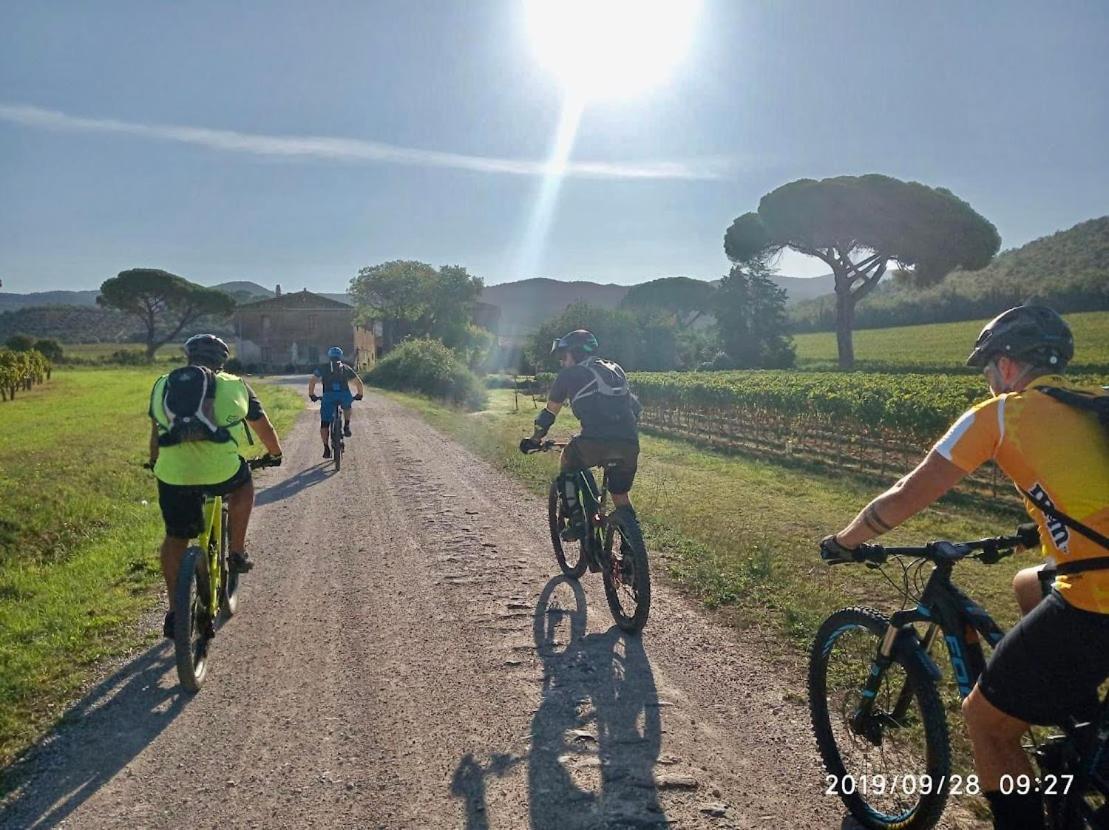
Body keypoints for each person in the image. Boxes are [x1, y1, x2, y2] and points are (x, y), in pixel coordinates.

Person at [820, 305, 1109, 830]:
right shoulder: (1093, 404)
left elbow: (909, 494)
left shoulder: (1001, 414)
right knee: (1027, 583)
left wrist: (846, 541)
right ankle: (1081, 721)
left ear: (1004, 365)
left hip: (1099, 600)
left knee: (985, 722)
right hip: (1094, 572)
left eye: (987, 370)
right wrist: (1037, 532)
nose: (988, 381)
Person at [148, 334, 283, 638]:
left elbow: (156, 432)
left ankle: (174, 612)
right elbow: (263, 427)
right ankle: (236, 552)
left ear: (188, 358)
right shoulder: (235, 384)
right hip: (221, 470)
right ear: (221, 361)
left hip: (173, 474)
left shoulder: (162, 384)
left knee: (175, 538)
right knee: (244, 484)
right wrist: (275, 454)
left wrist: (154, 461)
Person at [519, 330, 642, 543]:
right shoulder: (613, 370)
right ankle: (632, 549)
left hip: (594, 441)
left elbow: (547, 415)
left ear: (573, 353)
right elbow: (635, 408)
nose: (562, 362)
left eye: (563, 356)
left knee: (567, 458)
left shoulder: (570, 374)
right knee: (620, 496)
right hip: (629, 442)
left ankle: (576, 522)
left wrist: (535, 439)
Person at [308, 346, 364, 458]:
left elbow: (312, 381)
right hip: (344, 394)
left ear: (329, 356)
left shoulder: (323, 368)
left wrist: (312, 395)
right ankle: (347, 425)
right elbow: (358, 383)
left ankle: (326, 448)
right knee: (347, 406)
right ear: (340, 356)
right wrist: (359, 394)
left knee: (325, 423)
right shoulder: (345, 368)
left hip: (328, 396)